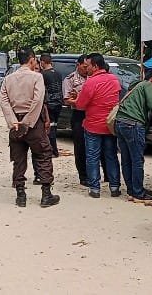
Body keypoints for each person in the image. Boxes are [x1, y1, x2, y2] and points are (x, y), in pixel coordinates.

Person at [0, 48, 60, 208]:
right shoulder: (37, 77)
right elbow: (37, 101)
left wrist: (14, 122)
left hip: (16, 122)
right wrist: (27, 122)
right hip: (33, 123)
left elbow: (4, 101)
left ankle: (21, 195)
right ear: (32, 59)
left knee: (18, 159)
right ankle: (46, 195)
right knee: (44, 154)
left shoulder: (9, 79)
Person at [72, 53, 121, 198]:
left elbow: (80, 105)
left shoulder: (90, 82)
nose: (86, 69)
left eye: (88, 66)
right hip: (109, 125)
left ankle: (95, 188)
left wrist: (75, 100)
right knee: (111, 156)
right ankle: (115, 187)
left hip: (93, 126)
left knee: (92, 157)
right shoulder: (114, 80)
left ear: (95, 66)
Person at [115, 69, 152, 201]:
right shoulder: (148, 85)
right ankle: (139, 192)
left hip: (120, 122)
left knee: (126, 158)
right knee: (137, 159)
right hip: (133, 124)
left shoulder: (136, 86)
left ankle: (131, 189)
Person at [63, 55, 91, 186]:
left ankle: (96, 173)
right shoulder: (70, 79)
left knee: (94, 145)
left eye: (88, 66)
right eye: (85, 67)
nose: (87, 69)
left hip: (93, 114)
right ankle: (83, 176)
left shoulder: (93, 77)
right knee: (80, 146)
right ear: (78, 65)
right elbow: (67, 99)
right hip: (79, 115)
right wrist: (79, 100)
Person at [39, 53, 63, 157]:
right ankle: (53, 150)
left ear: (43, 62)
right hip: (58, 103)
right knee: (54, 126)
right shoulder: (58, 73)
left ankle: (52, 151)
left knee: (49, 127)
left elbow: (42, 90)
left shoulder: (43, 74)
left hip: (49, 104)